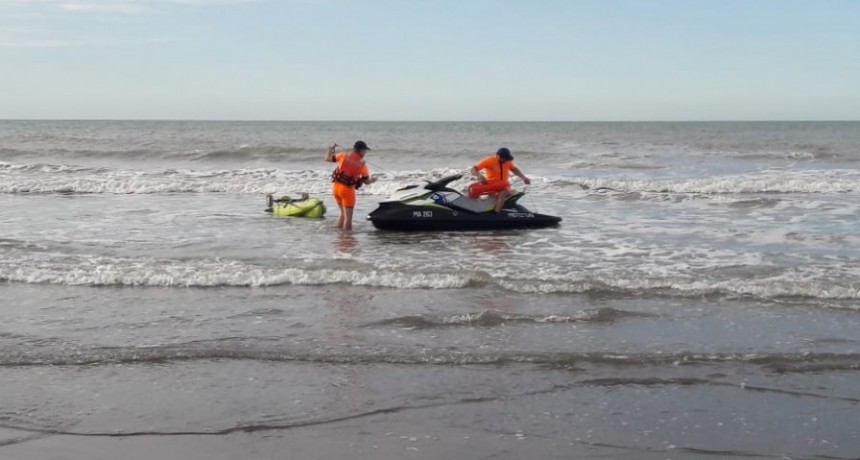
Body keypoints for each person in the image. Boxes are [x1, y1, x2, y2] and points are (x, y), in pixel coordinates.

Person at [325, 140, 377, 230]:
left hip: (335, 188)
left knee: (342, 213)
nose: (365, 153)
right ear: (361, 150)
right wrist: (373, 180)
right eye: (365, 150)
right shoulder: (362, 165)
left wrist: (331, 148)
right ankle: (347, 237)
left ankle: (339, 234)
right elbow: (366, 182)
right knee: (348, 218)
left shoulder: (343, 155)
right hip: (347, 191)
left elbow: (327, 158)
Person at [469, 147, 531, 212]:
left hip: (504, 186)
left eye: (507, 159)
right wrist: (479, 175)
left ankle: (497, 213)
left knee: (503, 193)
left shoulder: (508, 161)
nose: (506, 160)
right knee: (473, 190)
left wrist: (524, 178)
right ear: (498, 156)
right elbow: (473, 169)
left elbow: (514, 169)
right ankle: (471, 209)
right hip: (491, 185)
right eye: (504, 158)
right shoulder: (489, 160)